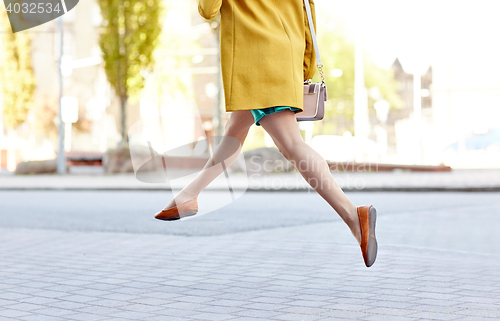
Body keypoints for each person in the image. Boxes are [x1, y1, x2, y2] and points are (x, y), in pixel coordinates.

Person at [155, 0, 378, 267]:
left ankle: (354, 216)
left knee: (291, 144)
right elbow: (308, 12)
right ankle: (187, 196)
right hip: (284, 55)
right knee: (233, 134)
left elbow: (208, 9)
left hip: (255, 58)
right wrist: (303, 68)